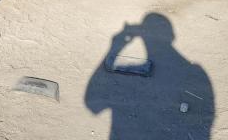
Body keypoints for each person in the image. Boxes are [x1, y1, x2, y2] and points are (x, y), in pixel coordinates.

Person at [85, 13, 215, 139]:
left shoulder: (193, 72)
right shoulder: (196, 73)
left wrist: (116, 45)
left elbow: (91, 102)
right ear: (171, 36)